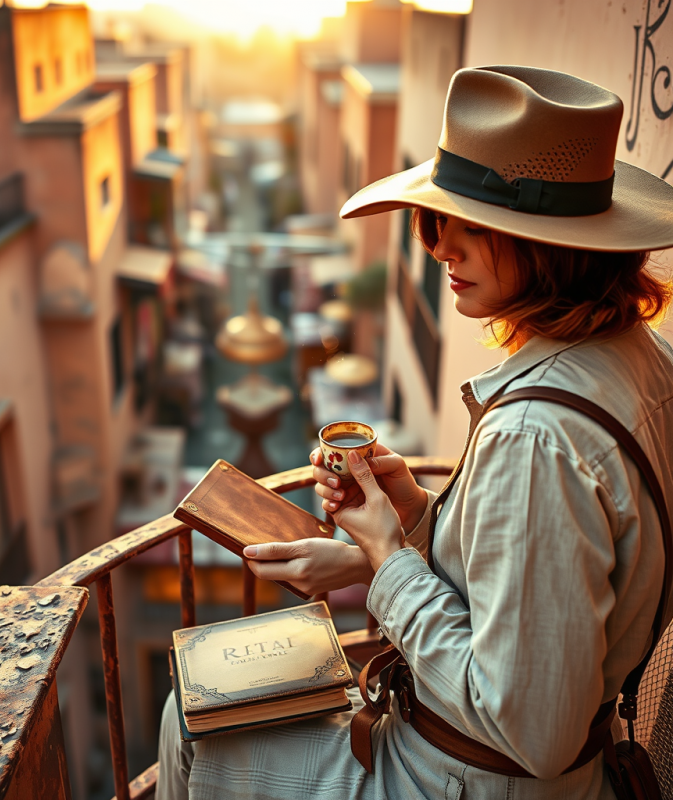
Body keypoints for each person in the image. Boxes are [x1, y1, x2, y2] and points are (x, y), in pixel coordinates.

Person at [158, 65, 673, 799]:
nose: (439, 248)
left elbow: (532, 728)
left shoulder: (534, 435)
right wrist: (416, 517)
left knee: (191, 716)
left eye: (471, 227)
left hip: (455, 778)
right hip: (513, 766)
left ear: (550, 244)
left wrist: (385, 557)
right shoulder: (641, 358)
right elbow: (541, 586)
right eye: (435, 220)